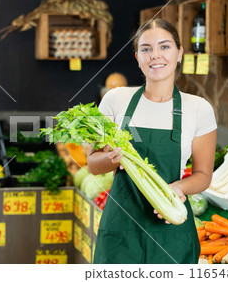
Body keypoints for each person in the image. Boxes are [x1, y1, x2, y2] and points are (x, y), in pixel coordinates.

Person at [90, 19, 217, 264]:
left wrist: (178, 188)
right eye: (146, 49)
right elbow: (93, 164)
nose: (155, 55)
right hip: (120, 231)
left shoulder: (198, 108)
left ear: (179, 53)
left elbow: (203, 174)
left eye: (164, 46)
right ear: (138, 57)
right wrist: (110, 158)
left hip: (171, 228)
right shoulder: (115, 100)